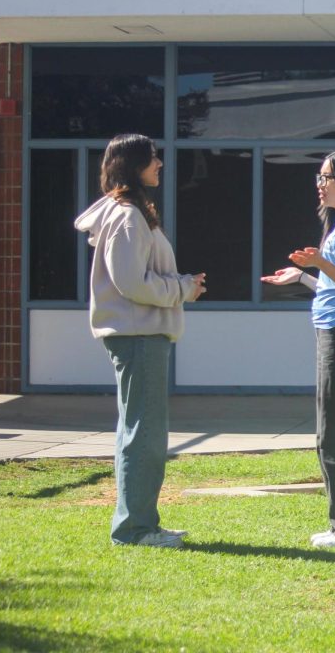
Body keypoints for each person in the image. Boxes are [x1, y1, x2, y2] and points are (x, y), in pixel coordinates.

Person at [74, 134, 207, 548]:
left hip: (141, 335)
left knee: (142, 431)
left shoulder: (129, 212)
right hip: (138, 336)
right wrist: (182, 288)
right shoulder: (127, 216)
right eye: (152, 158)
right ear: (133, 165)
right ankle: (135, 529)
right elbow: (130, 282)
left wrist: (179, 288)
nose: (160, 164)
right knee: (143, 434)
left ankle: (142, 522)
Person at [262, 151, 335, 549]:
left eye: (326, 176)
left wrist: (320, 264)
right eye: (319, 175)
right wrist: (304, 276)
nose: (320, 183)